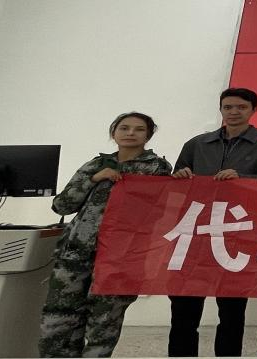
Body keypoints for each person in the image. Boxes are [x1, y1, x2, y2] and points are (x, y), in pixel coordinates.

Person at [38, 112, 172, 358]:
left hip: (121, 258)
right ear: (113, 133)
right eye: (124, 128)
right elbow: (62, 206)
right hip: (76, 253)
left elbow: (161, 209)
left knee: (103, 323)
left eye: (139, 129)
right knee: (59, 321)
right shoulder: (94, 165)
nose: (130, 133)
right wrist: (93, 179)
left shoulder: (157, 168)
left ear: (148, 136)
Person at [167, 87, 257, 358]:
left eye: (241, 107)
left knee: (231, 311)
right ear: (220, 109)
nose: (233, 112)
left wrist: (244, 179)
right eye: (228, 107)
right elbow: (176, 183)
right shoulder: (197, 143)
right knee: (184, 308)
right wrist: (180, 175)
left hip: (238, 233)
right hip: (195, 233)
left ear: (254, 110)